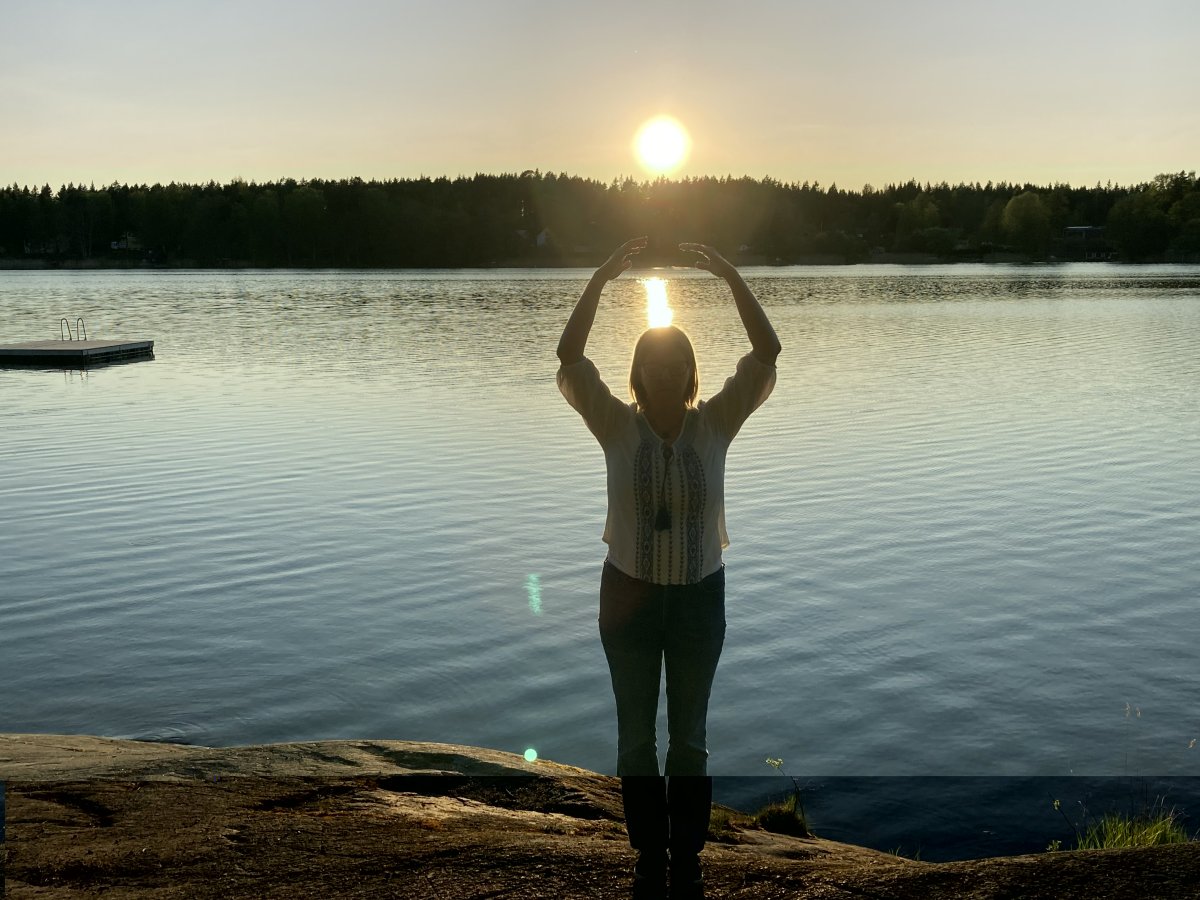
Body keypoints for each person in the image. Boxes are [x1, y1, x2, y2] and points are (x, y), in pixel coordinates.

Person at [556, 237, 780, 899]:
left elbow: (766, 354)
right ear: (638, 369)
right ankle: (648, 856)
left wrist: (733, 276)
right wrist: (600, 276)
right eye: (651, 358)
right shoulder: (613, 425)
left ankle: (687, 858)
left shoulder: (715, 424)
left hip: (697, 600)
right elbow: (570, 357)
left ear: (688, 371)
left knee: (689, 740)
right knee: (634, 738)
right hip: (625, 595)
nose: (662, 368)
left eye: (675, 359)